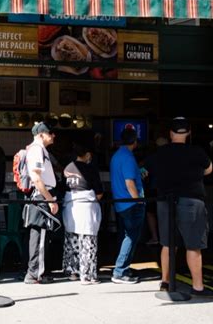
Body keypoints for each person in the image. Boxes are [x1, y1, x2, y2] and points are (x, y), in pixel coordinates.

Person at [156, 117, 213, 297]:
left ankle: (165, 282)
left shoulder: (160, 152)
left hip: (165, 201)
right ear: (188, 133)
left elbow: (147, 170)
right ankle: (197, 286)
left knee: (167, 244)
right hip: (191, 201)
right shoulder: (197, 152)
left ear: (170, 133)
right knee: (193, 245)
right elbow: (209, 169)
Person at [62, 144, 104, 285]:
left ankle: (72, 271)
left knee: (72, 240)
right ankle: (87, 275)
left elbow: (63, 188)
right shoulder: (90, 169)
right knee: (88, 242)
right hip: (86, 208)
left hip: (70, 207)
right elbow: (99, 193)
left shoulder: (67, 168)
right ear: (86, 154)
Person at [23, 122, 58, 285]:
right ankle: (34, 274)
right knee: (39, 237)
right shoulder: (37, 149)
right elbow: (36, 178)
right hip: (41, 197)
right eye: (50, 133)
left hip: (40, 197)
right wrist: (50, 199)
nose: (53, 136)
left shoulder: (38, 149)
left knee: (40, 236)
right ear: (41, 134)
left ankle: (38, 272)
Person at [110, 127, 145, 284]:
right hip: (131, 204)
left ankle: (122, 267)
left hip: (120, 202)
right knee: (131, 237)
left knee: (125, 236)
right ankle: (120, 271)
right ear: (135, 142)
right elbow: (130, 183)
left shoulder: (116, 156)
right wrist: (138, 200)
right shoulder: (128, 158)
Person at [142, 136, 168, 245]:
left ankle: (155, 237)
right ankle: (166, 238)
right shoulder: (171, 157)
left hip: (152, 189)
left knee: (150, 214)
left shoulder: (150, 158)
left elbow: (143, 174)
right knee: (167, 214)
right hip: (167, 189)